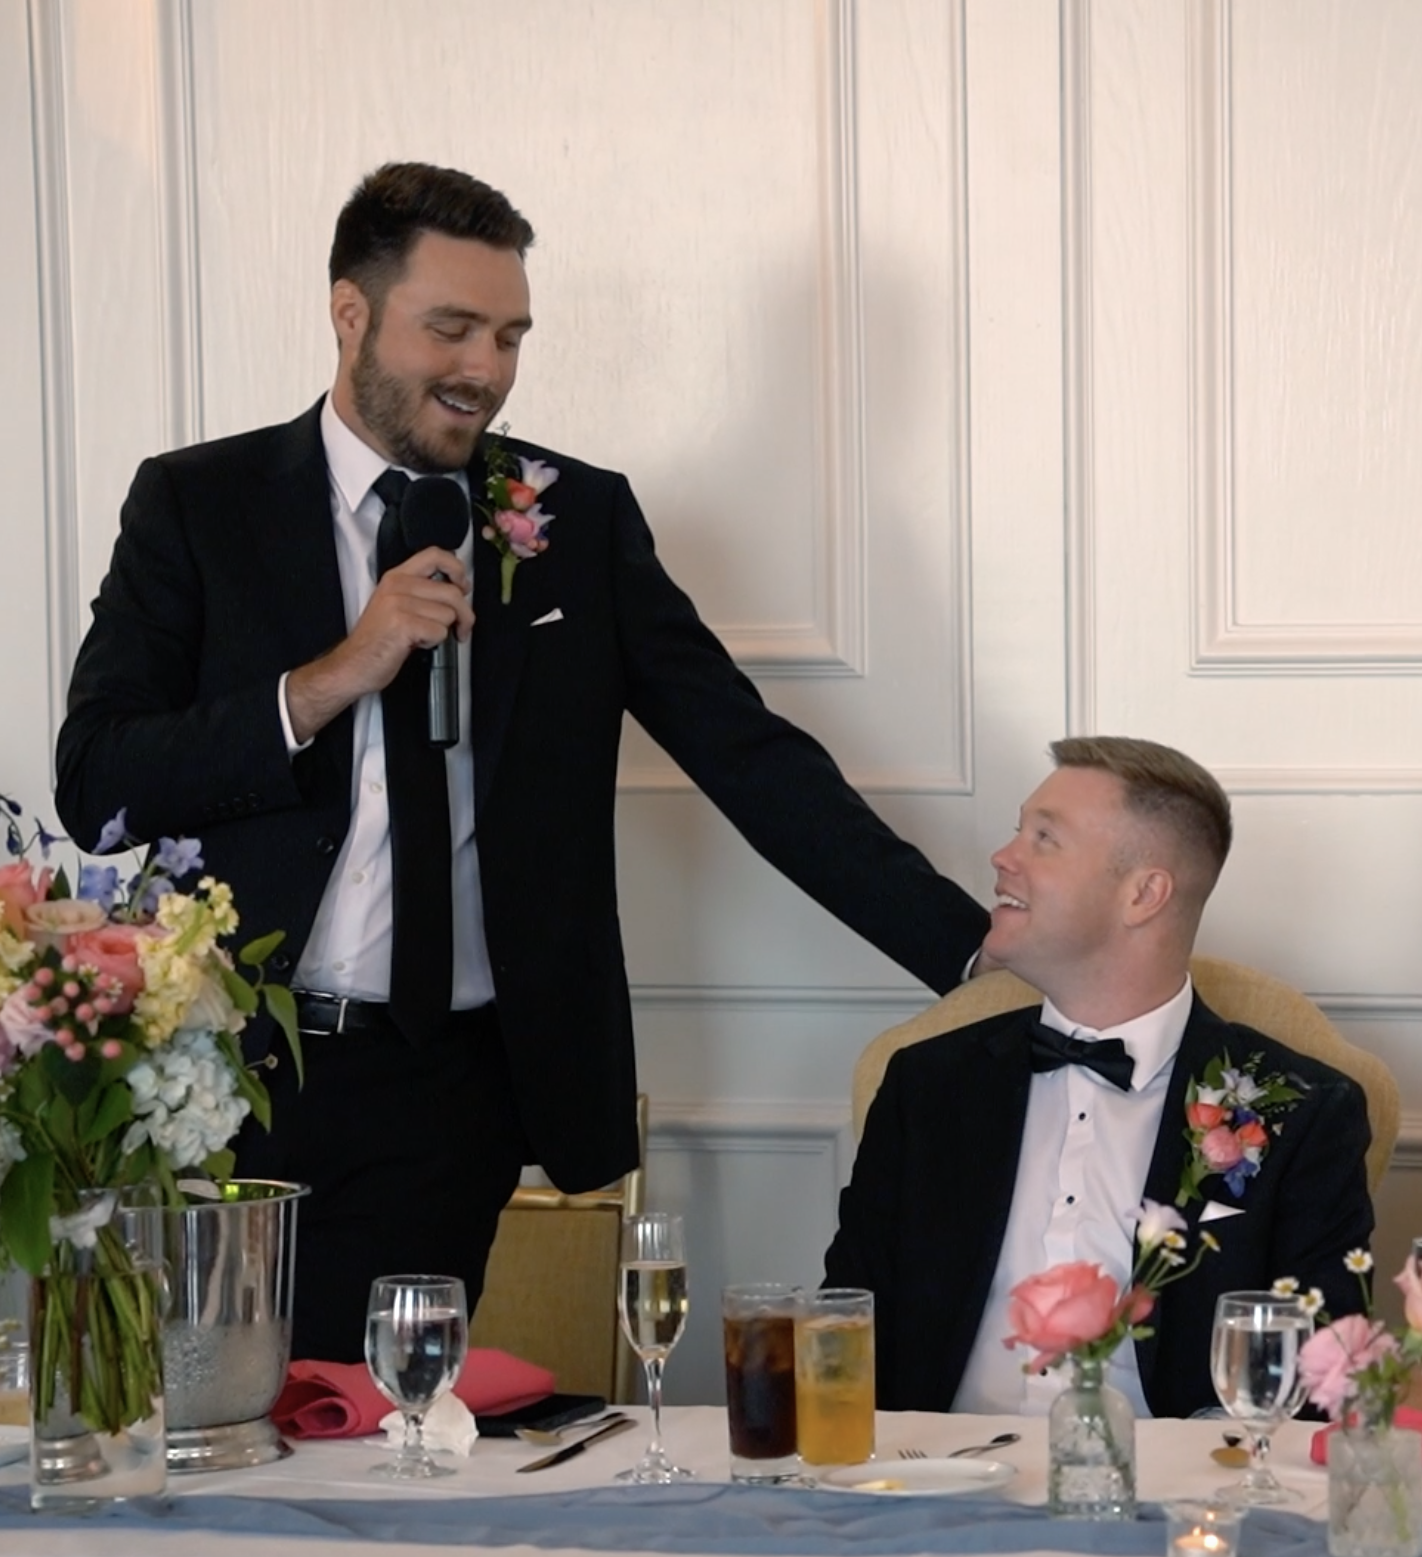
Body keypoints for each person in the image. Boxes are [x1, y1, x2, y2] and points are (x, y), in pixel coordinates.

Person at [55, 162, 989, 1362]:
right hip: (218, 1075)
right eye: (451, 327)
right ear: (352, 313)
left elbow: (749, 756)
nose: (485, 370)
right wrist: (338, 672)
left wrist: (969, 952)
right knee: (193, 1432)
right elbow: (100, 781)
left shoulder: (572, 519)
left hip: (448, 1086)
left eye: (509, 335)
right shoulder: (198, 504)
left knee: (379, 1444)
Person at [821, 737, 1375, 1417]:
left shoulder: (1298, 1111)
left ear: (1144, 893)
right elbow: (843, 1330)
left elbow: (1319, 1387)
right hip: (933, 1486)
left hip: (1172, 1503)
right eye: (1018, 831)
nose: (1003, 858)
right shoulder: (928, 1085)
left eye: (1045, 839)